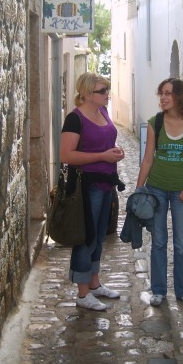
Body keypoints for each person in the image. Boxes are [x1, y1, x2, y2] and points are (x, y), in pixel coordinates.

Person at [136, 77, 183, 307]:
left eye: (168, 93)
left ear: (180, 96)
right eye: (161, 93)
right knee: (159, 242)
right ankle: (158, 290)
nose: (163, 97)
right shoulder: (155, 123)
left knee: (181, 244)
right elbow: (148, 159)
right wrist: (139, 189)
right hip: (157, 190)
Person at [60, 72, 126, 311]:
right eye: (102, 90)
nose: (108, 94)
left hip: (106, 183)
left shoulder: (103, 112)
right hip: (86, 187)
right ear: (87, 93)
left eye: (107, 89)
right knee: (85, 237)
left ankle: (95, 284)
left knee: (99, 236)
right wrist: (102, 156)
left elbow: (105, 142)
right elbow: (66, 155)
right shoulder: (74, 119)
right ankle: (82, 293)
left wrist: (115, 152)